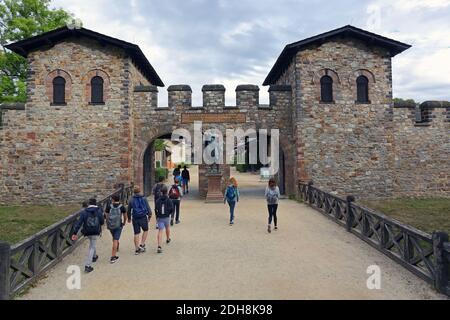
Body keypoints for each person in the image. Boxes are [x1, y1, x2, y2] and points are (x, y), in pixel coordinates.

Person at [71, 198, 104, 273]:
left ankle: (94, 256)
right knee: (92, 247)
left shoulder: (84, 212)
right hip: (95, 231)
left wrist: (75, 233)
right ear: (95, 203)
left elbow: (79, 223)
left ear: (89, 203)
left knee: (92, 243)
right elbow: (102, 222)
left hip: (87, 231)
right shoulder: (98, 211)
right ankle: (87, 265)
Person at [127, 186, 152, 255]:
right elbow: (148, 208)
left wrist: (129, 218)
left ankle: (137, 249)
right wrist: (149, 216)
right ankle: (142, 244)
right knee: (145, 230)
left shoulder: (131, 199)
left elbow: (128, 210)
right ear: (140, 191)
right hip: (143, 217)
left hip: (135, 217)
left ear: (134, 192)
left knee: (136, 233)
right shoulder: (144, 198)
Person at [105, 194, 127, 263]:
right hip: (118, 225)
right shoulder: (122, 207)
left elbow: (106, 216)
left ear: (113, 200)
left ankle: (116, 246)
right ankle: (113, 257)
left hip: (111, 225)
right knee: (115, 239)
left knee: (114, 237)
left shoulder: (109, 207)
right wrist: (124, 222)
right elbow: (125, 216)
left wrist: (108, 224)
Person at [155, 186, 174, 253]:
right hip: (166, 216)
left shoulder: (158, 200)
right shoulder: (169, 200)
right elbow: (172, 208)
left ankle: (159, 246)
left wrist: (157, 216)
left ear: (161, 192)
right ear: (167, 192)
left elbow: (156, 209)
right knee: (167, 227)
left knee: (160, 231)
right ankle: (168, 238)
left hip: (160, 217)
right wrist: (169, 213)